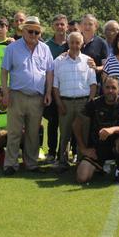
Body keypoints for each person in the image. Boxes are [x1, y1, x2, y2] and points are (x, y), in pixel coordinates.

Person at [0, 16, 54, 175]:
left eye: (36, 32)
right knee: (14, 132)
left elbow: (50, 72)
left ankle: (31, 163)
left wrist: (48, 92)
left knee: (32, 133)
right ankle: (10, 164)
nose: (33, 34)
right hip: (17, 95)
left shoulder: (45, 48)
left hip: (37, 96)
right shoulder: (12, 48)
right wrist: (5, 92)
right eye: (30, 31)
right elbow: (4, 71)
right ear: (23, 31)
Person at [75, 75, 119, 185]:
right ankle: (100, 167)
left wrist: (111, 130)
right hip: (96, 150)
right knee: (81, 178)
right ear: (102, 88)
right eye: (107, 87)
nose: (110, 90)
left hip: (116, 148)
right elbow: (76, 125)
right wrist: (83, 149)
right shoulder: (94, 103)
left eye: (113, 88)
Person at [52, 32, 98, 170]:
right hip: (65, 102)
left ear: (82, 44)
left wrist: (89, 103)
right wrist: (59, 103)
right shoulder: (58, 62)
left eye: (77, 42)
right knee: (64, 133)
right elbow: (55, 86)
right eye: (72, 42)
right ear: (68, 43)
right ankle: (62, 161)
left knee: (83, 134)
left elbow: (93, 84)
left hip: (83, 102)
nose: (74, 45)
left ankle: (81, 161)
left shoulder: (88, 61)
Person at [43, 14, 69, 162]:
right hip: (52, 89)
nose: (60, 27)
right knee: (52, 122)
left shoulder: (72, 42)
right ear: (53, 26)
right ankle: (51, 152)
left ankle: (64, 152)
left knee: (67, 123)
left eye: (62, 24)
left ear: (66, 26)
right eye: (57, 24)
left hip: (68, 89)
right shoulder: (46, 45)